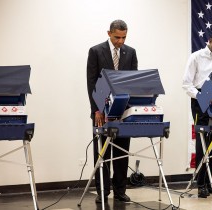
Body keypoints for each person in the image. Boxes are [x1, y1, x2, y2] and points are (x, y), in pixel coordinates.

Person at [87, 19, 138, 203]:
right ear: (109, 33)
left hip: (123, 111)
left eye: (124, 37)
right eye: (117, 37)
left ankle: (120, 190)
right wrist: (96, 110)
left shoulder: (130, 53)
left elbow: (133, 82)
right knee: (102, 153)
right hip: (102, 110)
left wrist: (131, 110)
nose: (120, 41)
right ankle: (102, 191)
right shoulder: (95, 51)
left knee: (122, 152)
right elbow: (91, 82)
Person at [182, 29, 212, 198]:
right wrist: (202, 97)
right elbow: (186, 84)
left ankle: (209, 182)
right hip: (200, 99)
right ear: (210, 40)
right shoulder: (196, 56)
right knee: (203, 143)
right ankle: (200, 184)